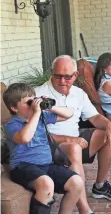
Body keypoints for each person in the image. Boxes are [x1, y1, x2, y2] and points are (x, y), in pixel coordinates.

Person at [35, 55, 111, 214]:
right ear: (51, 73)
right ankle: (85, 209)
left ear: (75, 75)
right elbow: (36, 135)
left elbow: (95, 117)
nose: (62, 81)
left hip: (75, 140)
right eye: (58, 76)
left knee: (110, 135)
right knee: (74, 149)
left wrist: (110, 125)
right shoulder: (39, 95)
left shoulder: (78, 93)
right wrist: (70, 139)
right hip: (50, 147)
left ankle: (100, 186)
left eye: (67, 77)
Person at [3, 83, 83, 214]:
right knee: (46, 184)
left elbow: (69, 114)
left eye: (33, 99)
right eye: (28, 102)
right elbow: (24, 138)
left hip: (46, 165)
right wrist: (36, 113)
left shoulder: (41, 117)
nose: (33, 104)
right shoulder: (11, 124)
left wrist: (50, 107)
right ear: (14, 108)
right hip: (23, 167)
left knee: (76, 182)